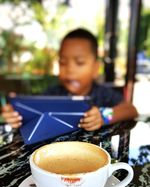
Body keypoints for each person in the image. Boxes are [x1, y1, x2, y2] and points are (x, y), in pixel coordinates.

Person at [1, 28, 138, 131]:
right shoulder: (52, 94)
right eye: (63, 62)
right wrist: (15, 113)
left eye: (79, 62)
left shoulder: (103, 93)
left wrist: (103, 116)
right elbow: (30, 111)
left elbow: (130, 109)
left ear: (96, 68)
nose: (69, 69)